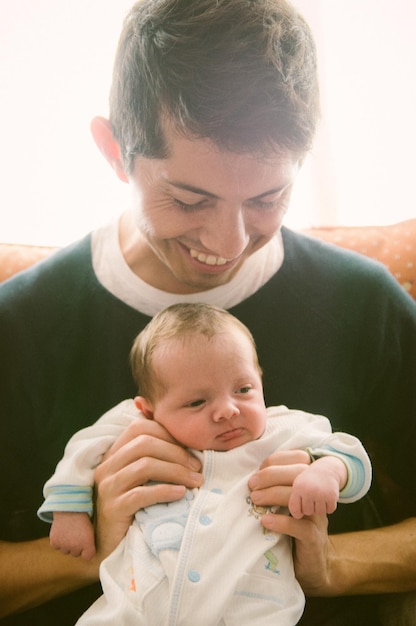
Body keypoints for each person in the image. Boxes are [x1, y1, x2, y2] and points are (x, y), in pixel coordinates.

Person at [0, 0, 415, 624]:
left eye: (268, 197)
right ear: (113, 150)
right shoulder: (22, 326)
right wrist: (98, 549)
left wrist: (330, 566)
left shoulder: (362, 302)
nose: (226, 245)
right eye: (189, 198)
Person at [37, 303, 372, 625]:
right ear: (148, 409)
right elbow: (83, 448)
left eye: (243, 389)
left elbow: (348, 451)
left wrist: (327, 472)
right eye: (197, 401)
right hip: (134, 610)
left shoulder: (282, 429)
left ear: (260, 380)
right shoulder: (137, 426)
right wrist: (70, 511)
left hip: (250, 610)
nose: (228, 410)